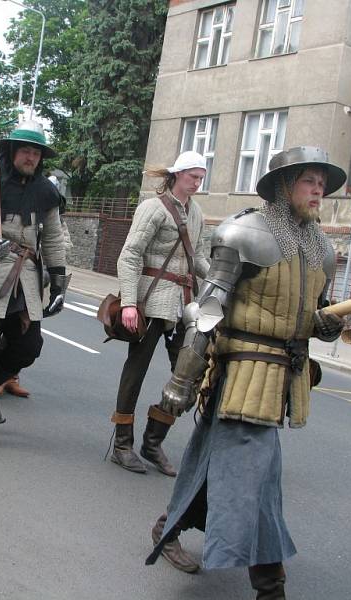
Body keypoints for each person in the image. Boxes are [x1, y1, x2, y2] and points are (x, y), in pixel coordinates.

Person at [145, 147, 347, 599]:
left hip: (283, 379)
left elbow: (314, 314)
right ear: (283, 185)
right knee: (255, 476)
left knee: (225, 464)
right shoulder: (244, 232)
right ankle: (269, 586)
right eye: (309, 181)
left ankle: (167, 527)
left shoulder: (322, 248)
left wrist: (329, 323)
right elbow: (206, 309)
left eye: (322, 183)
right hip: (241, 373)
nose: (318, 190)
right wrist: (181, 381)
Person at [0, 120, 69, 454]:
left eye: (36, 152)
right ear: (11, 151)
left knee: (28, 346)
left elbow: (52, 238)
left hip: (27, 275)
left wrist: (59, 281)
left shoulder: (46, 192)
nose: (31, 157)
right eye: (25, 150)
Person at [110, 150, 210, 477]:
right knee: (135, 371)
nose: (197, 182)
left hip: (184, 303)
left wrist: (217, 287)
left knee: (189, 376)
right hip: (151, 301)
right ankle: (122, 443)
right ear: (177, 175)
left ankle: (153, 440)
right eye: (193, 176)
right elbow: (130, 256)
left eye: (201, 177)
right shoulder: (152, 208)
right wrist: (128, 302)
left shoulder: (197, 214)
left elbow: (198, 260)